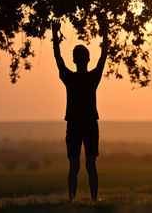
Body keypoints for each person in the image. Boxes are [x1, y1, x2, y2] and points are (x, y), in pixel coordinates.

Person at [52, 18, 108, 202]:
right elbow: (104, 55)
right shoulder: (93, 77)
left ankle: (72, 200)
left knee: (74, 165)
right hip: (90, 123)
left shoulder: (69, 77)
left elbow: (58, 59)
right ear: (88, 59)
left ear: (74, 60)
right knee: (91, 165)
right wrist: (105, 31)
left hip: (74, 124)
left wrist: (55, 35)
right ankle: (93, 200)